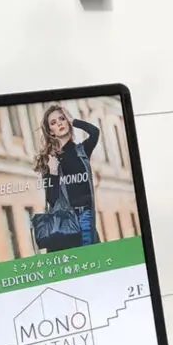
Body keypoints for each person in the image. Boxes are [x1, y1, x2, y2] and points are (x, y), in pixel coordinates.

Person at [35, 105, 101, 247]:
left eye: (62, 119)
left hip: (85, 215)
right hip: (66, 220)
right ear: (51, 132)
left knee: (91, 255)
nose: (59, 123)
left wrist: (73, 121)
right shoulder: (50, 159)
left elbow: (95, 132)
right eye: (53, 123)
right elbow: (52, 199)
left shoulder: (81, 150)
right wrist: (53, 172)